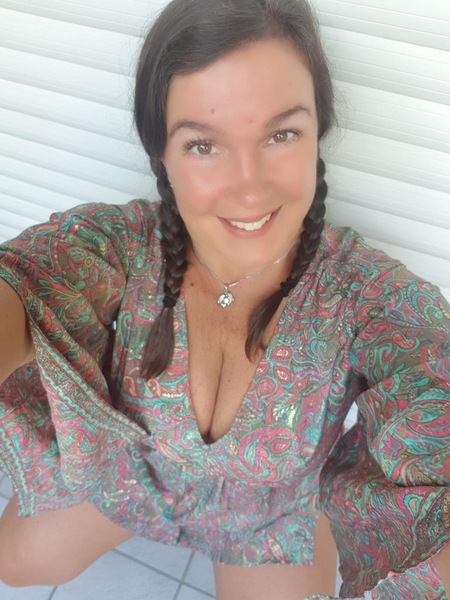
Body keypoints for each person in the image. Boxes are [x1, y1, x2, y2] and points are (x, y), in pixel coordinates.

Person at [0, 0, 448, 598]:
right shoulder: (119, 250)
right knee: (16, 563)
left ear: (318, 135)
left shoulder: (365, 298)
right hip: (136, 479)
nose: (249, 188)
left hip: (265, 519)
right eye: (203, 145)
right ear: (161, 154)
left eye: (281, 134)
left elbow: (433, 384)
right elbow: (25, 280)